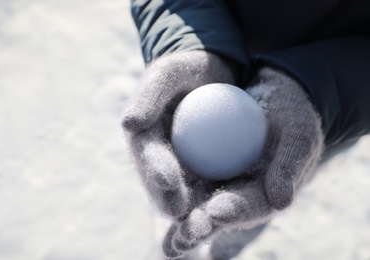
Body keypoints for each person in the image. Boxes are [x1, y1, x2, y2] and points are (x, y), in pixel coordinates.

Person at [122, 0, 370, 259]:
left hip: (318, 118)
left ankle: (226, 250)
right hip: (217, 38)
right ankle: (180, 240)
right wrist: (187, 43)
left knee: (267, 188)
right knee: (171, 185)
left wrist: (323, 90)